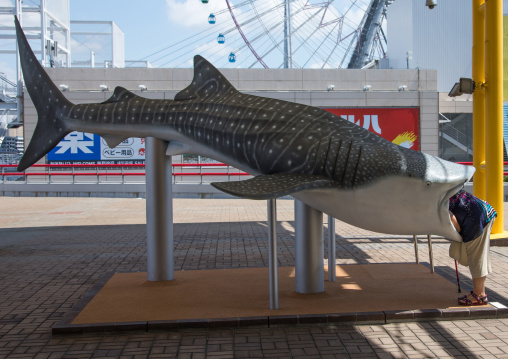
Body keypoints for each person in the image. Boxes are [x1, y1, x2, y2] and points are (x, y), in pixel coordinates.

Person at [448, 189, 497, 306]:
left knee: (477, 258)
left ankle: (479, 295)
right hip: (482, 210)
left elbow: (451, 221)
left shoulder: (435, 202)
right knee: (478, 255)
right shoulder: (440, 190)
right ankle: (479, 292)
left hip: (476, 218)